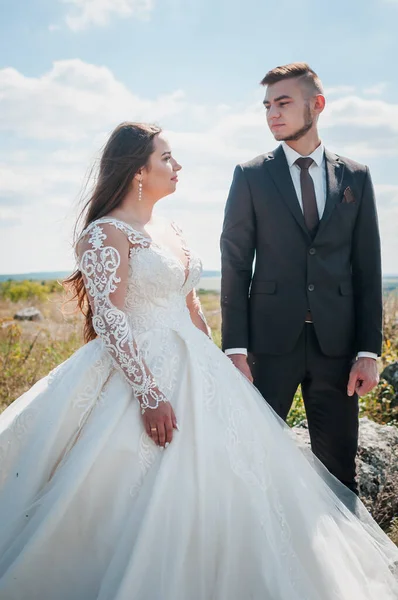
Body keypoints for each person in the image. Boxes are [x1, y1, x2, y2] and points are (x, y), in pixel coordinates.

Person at [0, 122, 397, 600]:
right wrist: (149, 395)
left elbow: (190, 306)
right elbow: (111, 320)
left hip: (199, 367)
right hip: (142, 371)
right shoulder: (106, 234)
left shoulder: (171, 229)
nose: (178, 166)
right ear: (137, 171)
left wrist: (220, 367)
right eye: (166, 158)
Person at [221, 62, 382, 495]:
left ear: (318, 105)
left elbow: (368, 268)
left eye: (284, 103)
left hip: (339, 348)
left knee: (339, 474)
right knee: (251, 463)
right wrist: (234, 349)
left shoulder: (356, 177)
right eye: (268, 105)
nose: (273, 113)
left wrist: (369, 350)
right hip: (268, 346)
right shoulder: (251, 175)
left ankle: (339, 561)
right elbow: (235, 264)